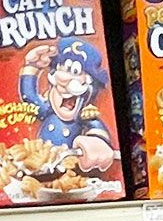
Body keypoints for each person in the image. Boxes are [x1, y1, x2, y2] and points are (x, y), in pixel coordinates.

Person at [20, 36, 117, 175]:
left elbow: (97, 131)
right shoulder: (47, 110)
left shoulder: (85, 117)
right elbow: (29, 98)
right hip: (39, 172)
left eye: (75, 72)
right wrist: (31, 67)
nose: (63, 79)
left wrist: (98, 143)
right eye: (61, 68)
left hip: (74, 174)